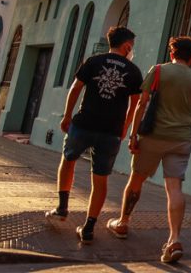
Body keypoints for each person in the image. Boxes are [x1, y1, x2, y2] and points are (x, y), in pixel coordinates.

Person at [106, 36, 191, 264]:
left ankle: (123, 223)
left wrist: (133, 134)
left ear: (172, 53)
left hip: (152, 137)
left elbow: (142, 103)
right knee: (174, 188)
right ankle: (174, 240)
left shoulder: (158, 71)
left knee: (136, 179)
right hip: (181, 139)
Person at [46, 26, 143, 245]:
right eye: (132, 47)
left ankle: (62, 208)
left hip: (84, 124)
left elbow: (76, 88)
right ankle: (89, 228)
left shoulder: (94, 61)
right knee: (100, 178)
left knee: (68, 160)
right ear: (127, 46)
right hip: (111, 132)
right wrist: (125, 127)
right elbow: (136, 104)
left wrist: (67, 115)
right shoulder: (134, 71)